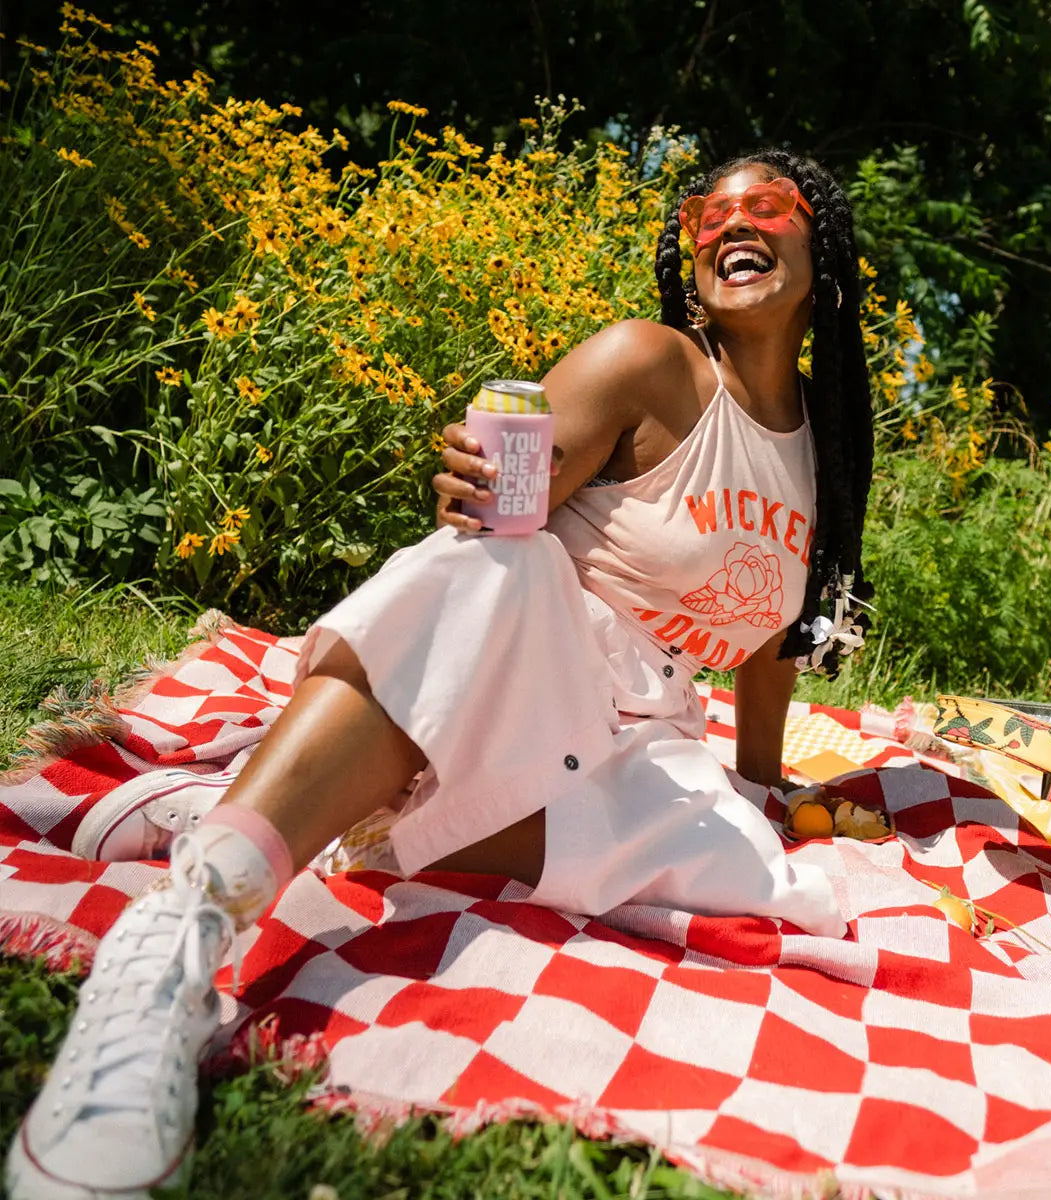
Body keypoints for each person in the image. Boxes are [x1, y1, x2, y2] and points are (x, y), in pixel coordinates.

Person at [7, 149, 876, 1199]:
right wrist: (472, 483)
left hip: (647, 733)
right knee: (503, 562)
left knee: (757, 877)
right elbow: (488, 533)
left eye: (767, 204)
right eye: (709, 210)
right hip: (528, 652)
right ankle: (179, 934)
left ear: (819, 244)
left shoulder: (822, 449)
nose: (732, 222)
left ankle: (345, 803)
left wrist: (764, 780)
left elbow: (774, 643)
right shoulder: (643, 363)